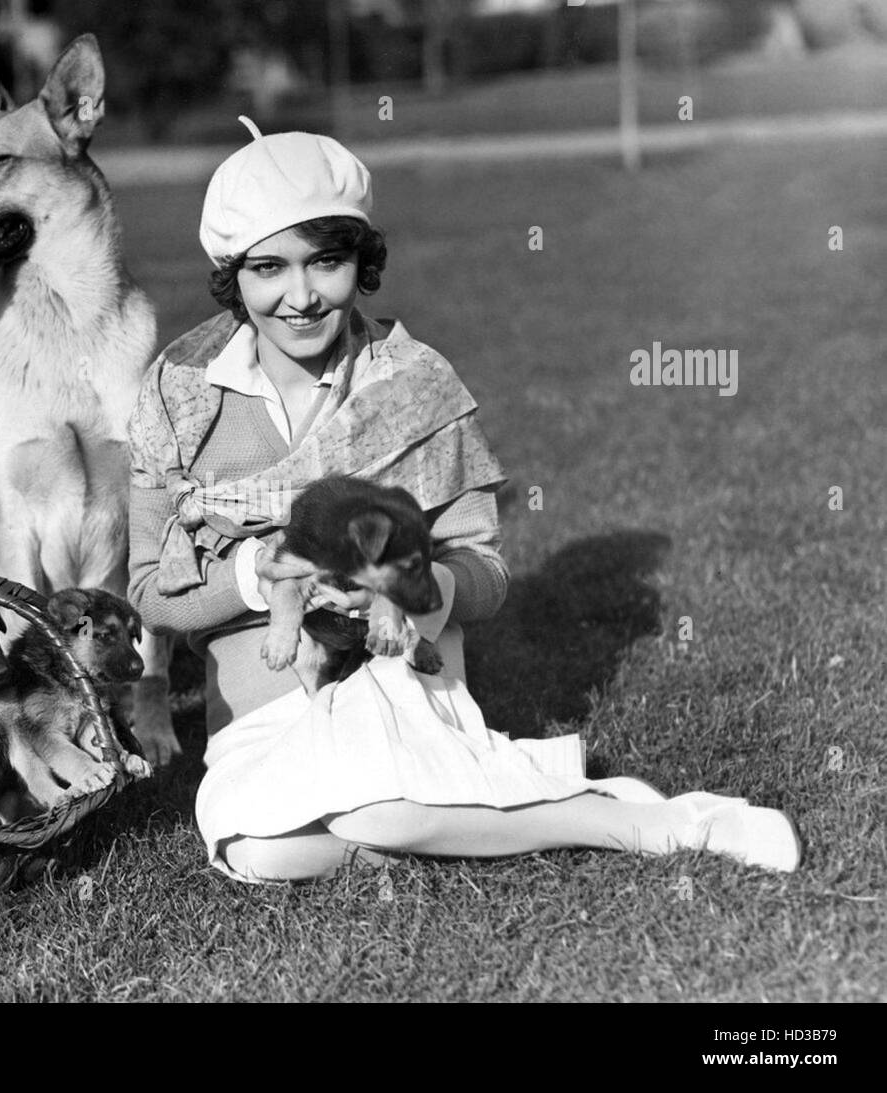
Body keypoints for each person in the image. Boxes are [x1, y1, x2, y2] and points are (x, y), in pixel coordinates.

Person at [126, 118, 801, 883]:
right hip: (260, 698)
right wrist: (260, 572)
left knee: (372, 809)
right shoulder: (177, 395)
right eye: (268, 268)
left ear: (361, 258)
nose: (301, 296)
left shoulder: (411, 381)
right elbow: (149, 591)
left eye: (327, 260)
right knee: (255, 850)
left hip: (398, 659)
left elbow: (486, 569)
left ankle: (650, 822)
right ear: (232, 273)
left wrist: (423, 590)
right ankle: (474, 808)